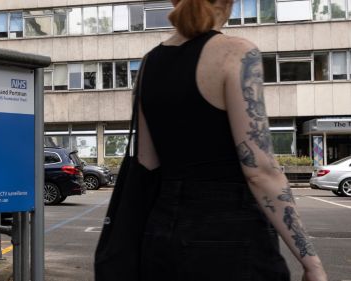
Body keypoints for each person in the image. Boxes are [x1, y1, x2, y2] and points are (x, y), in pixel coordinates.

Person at [135, 0, 328, 280]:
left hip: (162, 231)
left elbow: (147, 160)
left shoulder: (149, 62)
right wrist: (312, 264)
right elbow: (260, 172)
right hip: (230, 233)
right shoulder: (237, 53)